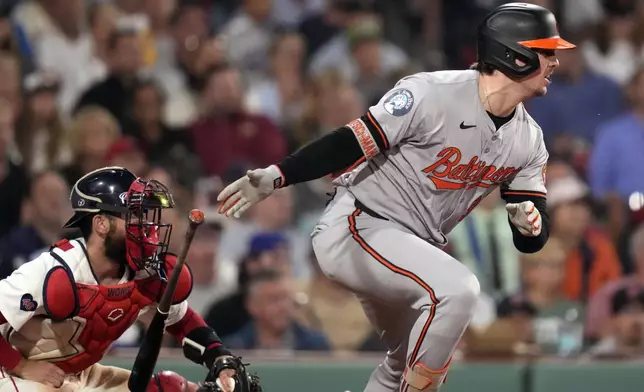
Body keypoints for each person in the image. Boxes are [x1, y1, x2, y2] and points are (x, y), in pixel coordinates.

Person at [217, 3, 575, 391]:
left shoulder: (529, 140)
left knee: (404, 360)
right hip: (358, 226)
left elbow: (531, 237)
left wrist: (530, 224)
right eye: (546, 51)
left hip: (409, 253)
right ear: (513, 53)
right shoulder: (431, 93)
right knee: (458, 290)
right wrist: (279, 174)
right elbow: (352, 141)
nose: (555, 62)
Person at [0, 167, 238, 392]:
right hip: (15, 371)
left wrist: (219, 357)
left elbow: (183, 321)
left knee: (172, 389)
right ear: (101, 224)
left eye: (145, 215)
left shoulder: (144, 270)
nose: (148, 227)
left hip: (78, 374)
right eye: (134, 216)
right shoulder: (54, 270)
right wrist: (21, 366)